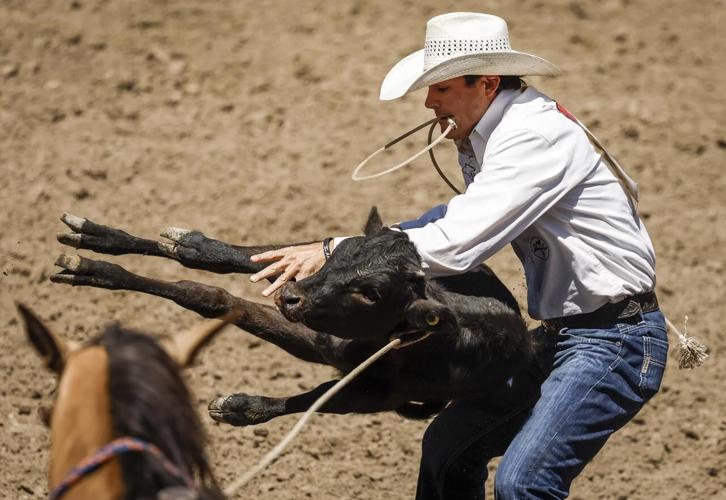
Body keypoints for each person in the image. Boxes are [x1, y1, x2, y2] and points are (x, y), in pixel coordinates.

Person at [249, 12, 668, 500]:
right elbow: (454, 216)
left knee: (525, 482)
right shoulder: (494, 129)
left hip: (616, 339)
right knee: (449, 447)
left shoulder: (534, 136)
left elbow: (458, 243)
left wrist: (336, 251)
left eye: (441, 89)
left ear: (486, 82)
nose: (429, 102)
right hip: (569, 333)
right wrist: (354, 247)